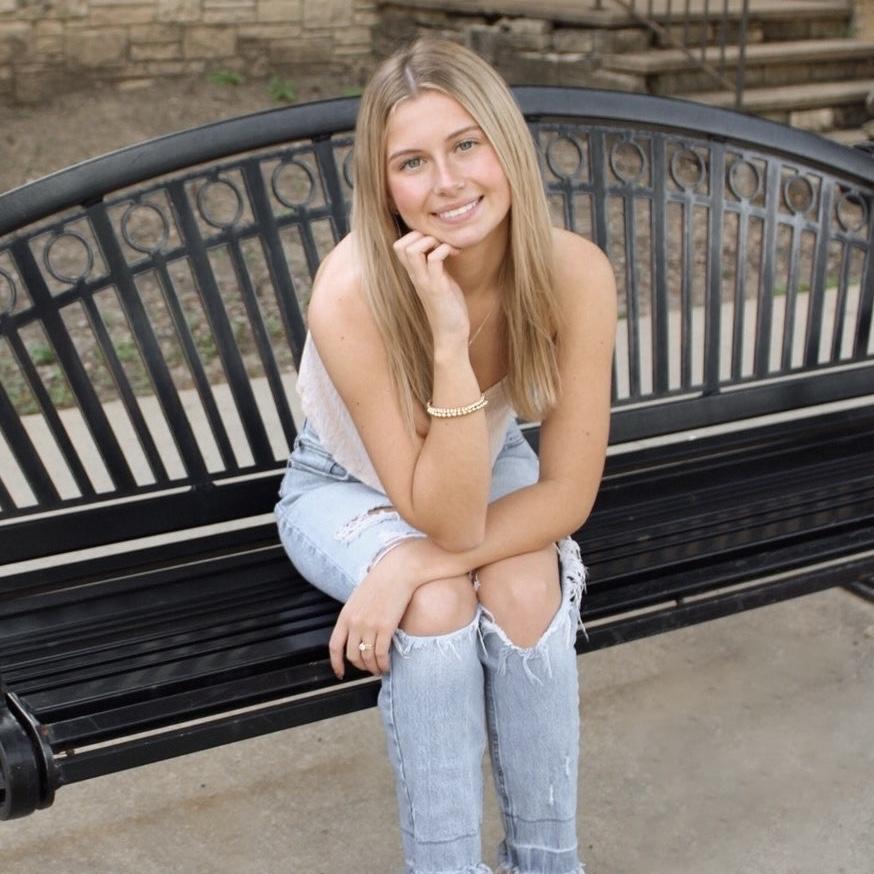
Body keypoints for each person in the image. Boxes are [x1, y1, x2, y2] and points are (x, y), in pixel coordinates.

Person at [274, 36, 616, 874]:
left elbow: (568, 494)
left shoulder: (573, 272)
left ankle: (547, 863)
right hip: (342, 483)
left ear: (506, 145)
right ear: (383, 185)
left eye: (466, 144)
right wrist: (449, 341)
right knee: (435, 608)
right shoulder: (352, 292)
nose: (448, 182)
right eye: (412, 162)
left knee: (525, 585)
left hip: (479, 458)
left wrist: (407, 564)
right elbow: (450, 520)